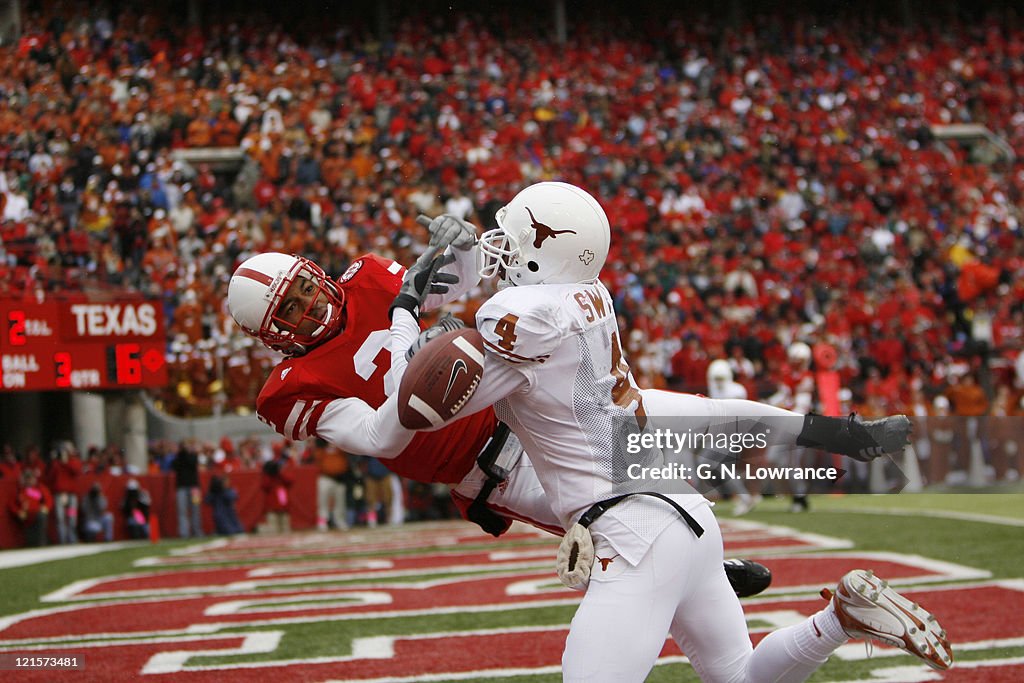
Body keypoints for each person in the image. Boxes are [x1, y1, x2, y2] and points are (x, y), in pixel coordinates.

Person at [440, 181, 950, 681]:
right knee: (738, 677)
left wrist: (404, 313)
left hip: (633, 538)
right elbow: (733, 414)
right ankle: (839, 618)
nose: (500, 252)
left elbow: (400, 416)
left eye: (513, 241)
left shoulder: (534, 343)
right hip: (691, 520)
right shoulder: (616, 387)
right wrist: (841, 434)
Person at [224, 213, 878, 595]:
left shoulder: (368, 274)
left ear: (315, 270)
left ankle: (723, 540)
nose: (310, 305)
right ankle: (701, 580)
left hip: (514, 399)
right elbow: (383, 438)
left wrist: (460, 246)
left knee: (650, 454)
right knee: (611, 536)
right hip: (479, 462)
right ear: (272, 332)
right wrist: (403, 329)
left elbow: (460, 279)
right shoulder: (289, 390)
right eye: (290, 309)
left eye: (304, 288)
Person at [9, 469, 53, 547]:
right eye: (27, 478)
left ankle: (42, 544)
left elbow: (48, 500)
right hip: (26, 516)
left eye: (30, 478)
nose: (29, 480)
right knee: (30, 539)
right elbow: (12, 504)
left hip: (38, 514)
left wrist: (46, 507)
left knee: (41, 519)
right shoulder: (20, 490)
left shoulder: (40, 488)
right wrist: (18, 512)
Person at [171, 441, 203, 538]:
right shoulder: (178, 458)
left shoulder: (193, 456)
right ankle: (184, 533)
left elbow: (192, 462)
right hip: (181, 488)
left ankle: (197, 531)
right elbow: (175, 466)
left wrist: (188, 452)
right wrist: (180, 453)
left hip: (194, 487)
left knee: (196, 510)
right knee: (182, 511)